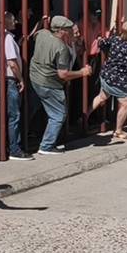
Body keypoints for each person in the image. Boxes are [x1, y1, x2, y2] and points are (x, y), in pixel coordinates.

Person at [29, 15, 92, 154]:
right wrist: (82, 72)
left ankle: (30, 135)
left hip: (34, 78)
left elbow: (33, 36)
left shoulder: (42, 33)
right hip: (49, 83)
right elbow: (63, 74)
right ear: (62, 31)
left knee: (36, 109)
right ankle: (46, 146)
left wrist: (41, 22)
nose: (72, 32)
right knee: (58, 115)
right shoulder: (61, 47)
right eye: (69, 29)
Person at [0, 12, 32, 160]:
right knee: (14, 115)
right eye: (13, 20)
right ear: (6, 22)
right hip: (8, 79)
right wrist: (21, 79)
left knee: (0, 113)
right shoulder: (7, 38)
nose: (15, 22)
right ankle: (15, 149)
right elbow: (12, 63)